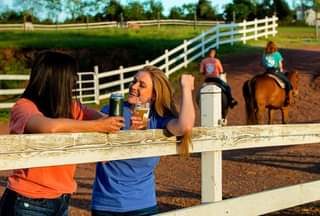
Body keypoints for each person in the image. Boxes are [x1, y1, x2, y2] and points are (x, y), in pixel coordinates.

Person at [0, 51, 124, 216]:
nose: (74, 81)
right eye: (72, 76)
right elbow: (49, 127)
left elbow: (107, 121)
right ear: (58, 79)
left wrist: (113, 122)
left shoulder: (72, 107)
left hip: (61, 199)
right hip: (28, 200)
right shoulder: (24, 107)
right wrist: (97, 126)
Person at [91, 66, 195, 216]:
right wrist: (130, 134)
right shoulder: (112, 110)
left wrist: (186, 88)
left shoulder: (157, 119)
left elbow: (184, 126)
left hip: (142, 205)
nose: (133, 86)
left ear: (153, 95)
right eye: (134, 81)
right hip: (105, 205)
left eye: (142, 85)